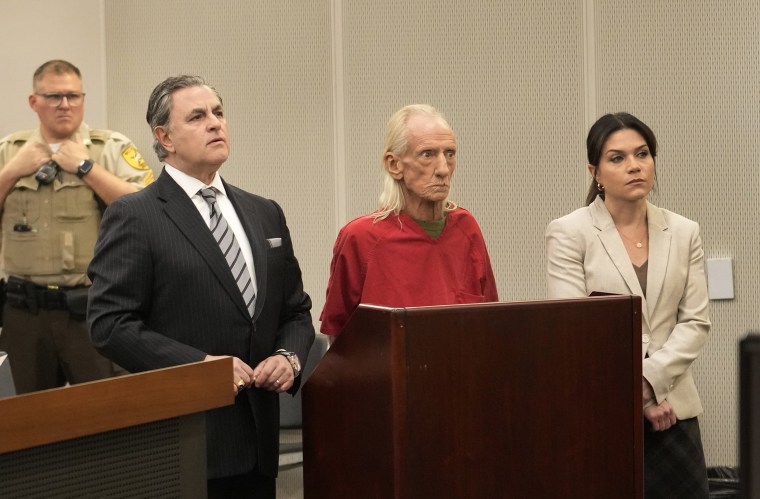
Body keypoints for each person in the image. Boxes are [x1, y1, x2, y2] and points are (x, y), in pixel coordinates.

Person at [87, 75, 314, 498]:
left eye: (219, 112)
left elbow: (295, 310)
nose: (215, 124)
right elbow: (109, 324)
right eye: (197, 116)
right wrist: (201, 368)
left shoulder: (264, 212)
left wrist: (289, 357)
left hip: (259, 443)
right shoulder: (135, 216)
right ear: (164, 137)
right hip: (185, 442)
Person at [545, 112, 710, 498]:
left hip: (674, 413)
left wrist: (649, 385)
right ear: (595, 171)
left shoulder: (685, 231)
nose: (634, 166)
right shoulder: (569, 232)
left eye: (642, 154)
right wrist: (631, 398)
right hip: (599, 413)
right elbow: (574, 330)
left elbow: (695, 323)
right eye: (617, 158)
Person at [0, 59, 154, 394]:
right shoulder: (9, 151)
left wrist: (86, 167)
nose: (65, 105)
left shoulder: (109, 148)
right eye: (54, 96)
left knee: (108, 412)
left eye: (73, 96)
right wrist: (11, 172)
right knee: (23, 424)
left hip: (93, 309)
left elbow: (146, 211)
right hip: (24, 314)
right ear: (34, 102)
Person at [320, 104, 498, 336]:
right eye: (428, 154)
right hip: (387, 371)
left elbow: (491, 319)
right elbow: (338, 337)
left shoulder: (467, 228)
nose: (443, 169)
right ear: (394, 165)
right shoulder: (361, 237)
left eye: (450, 154)